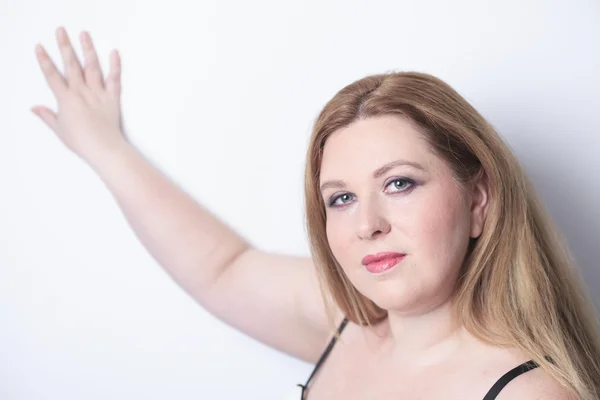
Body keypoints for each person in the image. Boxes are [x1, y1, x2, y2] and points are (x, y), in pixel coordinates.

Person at [31, 26, 600, 400]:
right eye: (341, 198)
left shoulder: (527, 393)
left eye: (399, 183)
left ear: (478, 201)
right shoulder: (348, 325)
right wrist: (103, 148)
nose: (366, 223)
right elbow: (220, 268)